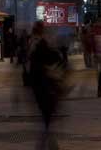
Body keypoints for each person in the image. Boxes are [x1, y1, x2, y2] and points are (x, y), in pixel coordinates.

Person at [27, 21, 66, 150]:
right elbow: (53, 58)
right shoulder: (40, 44)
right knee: (47, 115)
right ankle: (47, 145)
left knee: (46, 116)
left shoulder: (32, 43)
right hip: (43, 84)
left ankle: (50, 144)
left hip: (37, 84)